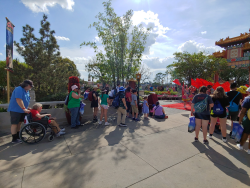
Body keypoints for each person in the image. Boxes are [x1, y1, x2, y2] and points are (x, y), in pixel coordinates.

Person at [238, 87, 250, 154]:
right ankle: (249, 150)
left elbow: (243, 111)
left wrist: (240, 120)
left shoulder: (247, 99)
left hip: (248, 118)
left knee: (245, 132)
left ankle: (241, 146)